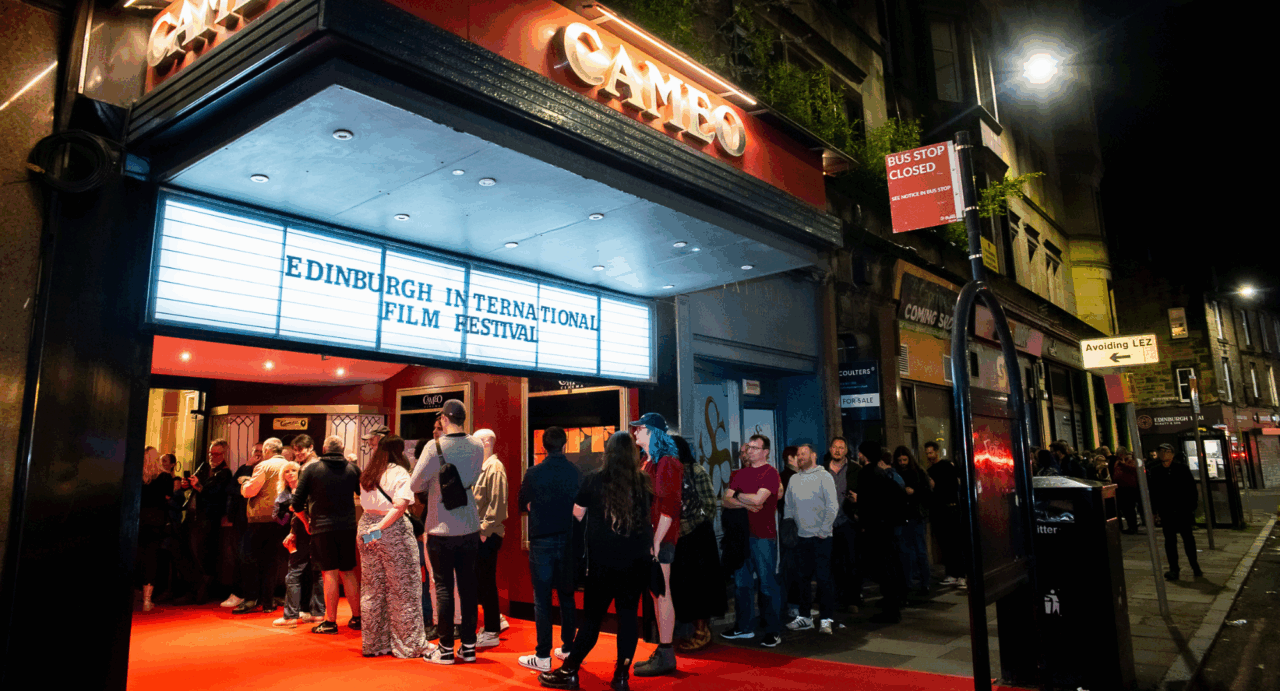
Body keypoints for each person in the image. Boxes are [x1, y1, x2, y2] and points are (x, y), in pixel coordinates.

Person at [538, 431, 653, 691]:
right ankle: (621, 677)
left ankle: (569, 670)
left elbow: (577, 516)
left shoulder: (594, 480)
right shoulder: (643, 482)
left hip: (602, 563)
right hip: (635, 563)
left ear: (608, 452)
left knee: (591, 620)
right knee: (627, 619)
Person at [411, 399, 485, 665]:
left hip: (440, 526)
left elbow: (415, 482)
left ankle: (444, 649)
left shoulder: (435, 446)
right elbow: (474, 476)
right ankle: (468, 647)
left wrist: (435, 480)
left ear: (443, 419)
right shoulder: (477, 444)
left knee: (443, 587)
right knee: (468, 586)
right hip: (469, 525)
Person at [516, 426, 580, 672]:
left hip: (542, 540)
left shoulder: (534, 472)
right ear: (565, 444)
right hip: (568, 539)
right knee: (567, 596)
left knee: (542, 599)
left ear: (543, 446)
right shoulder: (575, 472)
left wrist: (536, 507)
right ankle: (568, 649)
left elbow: (522, 502)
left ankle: (542, 656)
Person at [358, 435, 428, 658]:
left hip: (365, 529)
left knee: (372, 588)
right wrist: (379, 528)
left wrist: (372, 530)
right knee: (404, 588)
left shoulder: (368, 473)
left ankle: (374, 643)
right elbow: (399, 507)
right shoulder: (399, 473)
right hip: (390, 530)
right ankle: (408, 645)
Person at [293, 435, 363, 633]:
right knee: (348, 572)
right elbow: (365, 497)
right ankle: (357, 618)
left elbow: (296, 503)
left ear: (323, 448)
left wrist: (307, 522)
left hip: (322, 528)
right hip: (349, 527)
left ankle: (330, 621)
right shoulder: (352, 469)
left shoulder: (312, 469)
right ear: (342, 449)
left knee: (329, 573)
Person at [630, 412, 683, 677]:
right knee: (657, 591)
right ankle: (663, 650)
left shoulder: (667, 463)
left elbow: (669, 506)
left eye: (639, 428)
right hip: (653, 536)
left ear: (652, 432)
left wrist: (655, 540)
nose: (635, 432)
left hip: (660, 537)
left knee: (661, 591)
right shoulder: (649, 461)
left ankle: (666, 651)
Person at [720, 434, 783, 647]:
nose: (750, 451)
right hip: (741, 537)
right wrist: (746, 502)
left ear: (765, 451)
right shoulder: (740, 473)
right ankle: (744, 628)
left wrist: (738, 496)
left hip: (763, 537)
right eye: (749, 448)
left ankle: (773, 631)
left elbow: (759, 500)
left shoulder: (771, 473)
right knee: (741, 585)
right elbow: (725, 500)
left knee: (766, 585)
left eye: (755, 448)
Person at [670, 434, 725, 653]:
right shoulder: (668, 472)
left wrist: (690, 519)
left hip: (698, 539)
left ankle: (702, 631)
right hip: (679, 540)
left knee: (700, 587)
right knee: (685, 587)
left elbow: (709, 506)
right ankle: (692, 629)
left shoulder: (696, 471)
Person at [784, 443, 840, 634]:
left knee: (824, 580)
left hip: (822, 537)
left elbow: (832, 505)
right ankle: (805, 617)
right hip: (801, 538)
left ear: (814, 455)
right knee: (802, 580)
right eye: (798, 454)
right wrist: (789, 529)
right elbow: (788, 507)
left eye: (803, 453)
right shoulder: (793, 479)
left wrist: (824, 530)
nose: (799, 457)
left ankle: (826, 619)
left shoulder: (824, 476)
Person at [236, 438, 293, 614]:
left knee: (249, 558)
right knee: (271, 562)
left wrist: (244, 483)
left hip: (261, 518)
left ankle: (251, 599)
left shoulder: (264, 466)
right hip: (282, 519)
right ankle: (268, 602)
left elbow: (250, 491)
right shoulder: (290, 466)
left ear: (267, 449)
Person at [857, 449, 907, 623]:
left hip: (880, 530)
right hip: (887, 529)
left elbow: (869, 503)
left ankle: (891, 610)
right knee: (889, 569)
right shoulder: (887, 478)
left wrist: (862, 510)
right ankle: (893, 605)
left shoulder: (873, 476)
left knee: (885, 570)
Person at [472, 428, 510, 648]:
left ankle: (492, 630)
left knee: (485, 583)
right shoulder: (483, 467)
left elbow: (498, 505)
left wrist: (484, 531)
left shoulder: (494, 468)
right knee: (482, 583)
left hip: (487, 535)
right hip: (481, 533)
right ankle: (493, 625)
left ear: (486, 443)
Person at [273, 461, 323, 626]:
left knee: (294, 574)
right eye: (287, 471)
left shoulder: (302, 490)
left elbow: (298, 512)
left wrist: (296, 530)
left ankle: (291, 615)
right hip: (314, 532)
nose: (290, 474)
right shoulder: (315, 488)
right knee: (316, 573)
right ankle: (317, 613)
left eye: (293, 470)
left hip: (303, 534)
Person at [1147, 443, 1202, 580]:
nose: (1163, 454)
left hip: (1183, 510)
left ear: (1172, 453)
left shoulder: (1181, 468)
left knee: (1188, 539)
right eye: (1161, 452)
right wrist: (1154, 512)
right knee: (1170, 541)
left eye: (1166, 452)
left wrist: (1191, 508)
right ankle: (1174, 569)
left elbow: (1191, 489)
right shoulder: (1155, 470)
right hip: (1167, 511)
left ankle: (1195, 566)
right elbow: (1153, 492)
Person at [187, 439, 232, 604]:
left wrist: (198, 486)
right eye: (211, 453)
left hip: (211, 520)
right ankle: (199, 590)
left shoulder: (225, 473)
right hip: (201, 517)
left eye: (217, 454)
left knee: (204, 554)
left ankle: (204, 591)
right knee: (197, 552)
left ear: (224, 454)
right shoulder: (207, 470)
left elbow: (215, 495)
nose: (213, 457)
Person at [220, 442, 261, 609]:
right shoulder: (245, 468)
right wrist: (247, 467)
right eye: (255, 452)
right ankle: (238, 593)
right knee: (239, 557)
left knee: (251, 558)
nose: (258, 456)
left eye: (261, 452)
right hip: (240, 519)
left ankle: (252, 595)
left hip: (258, 520)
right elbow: (230, 488)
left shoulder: (265, 471)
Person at [824, 436, 860, 611]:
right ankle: (835, 598)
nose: (838, 450)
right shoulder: (822, 470)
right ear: (830, 449)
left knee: (851, 561)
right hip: (827, 522)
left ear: (846, 450)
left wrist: (858, 501)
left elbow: (866, 493)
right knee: (832, 562)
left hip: (848, 520)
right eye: (835, 447)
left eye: (841, 447)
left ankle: (853, 599)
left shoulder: (855, 469)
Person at [926, 441, 965, 587]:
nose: (929, 456)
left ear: (937, 452)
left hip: (950, 510)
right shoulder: (930, 470)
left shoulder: (947, 466)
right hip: (939, 511)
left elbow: (953, 487)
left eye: (931, 452)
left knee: (954, 543)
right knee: (945, 545)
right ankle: (951, 573)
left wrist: (936, 486)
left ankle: (961, 574)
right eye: (927, 453)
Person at [894, 446, 932, 595]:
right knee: (907, 552)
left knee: (918, 551)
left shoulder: (918, 473)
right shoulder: (901, 473)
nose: (902, 463)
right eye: (900, 460)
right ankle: (911, 582)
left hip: (914, 515)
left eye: (904, 460)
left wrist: (914, 493)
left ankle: (923, 582)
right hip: (905, 516)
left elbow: (926, 494)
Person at [138, 447, 172, 612]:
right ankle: (147, 600)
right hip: (156, 522)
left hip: (138, 520)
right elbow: (168, 497)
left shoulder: (138, 477)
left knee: (136, 556)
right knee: (151, 559)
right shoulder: (165, 476)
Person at [1113, 447, 1141, 534]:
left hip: (1129, 489)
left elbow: (1134, 470)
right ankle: (1130, 526)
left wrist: (1123, 464)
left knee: (1129, 509)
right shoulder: (1117, 462)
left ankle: (1133, 527)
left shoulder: (1131, 461)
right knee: (1124, 509)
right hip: (1120, 488)